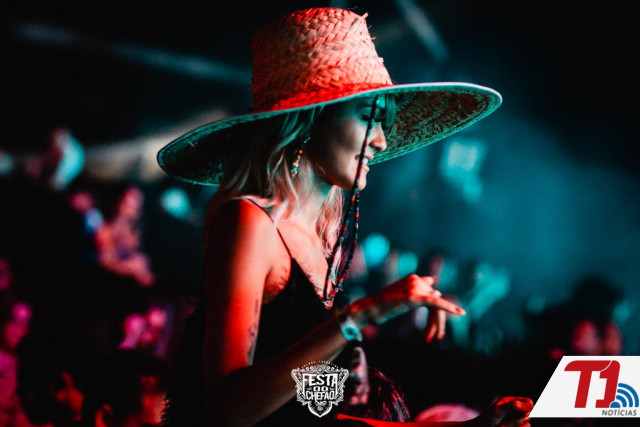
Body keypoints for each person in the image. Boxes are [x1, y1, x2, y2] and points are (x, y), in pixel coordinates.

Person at [157, 7, 532, 426]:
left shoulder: (320, 246)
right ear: (311, 117)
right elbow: (226, 411)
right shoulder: (250, 223)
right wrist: (360, 316)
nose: (381, 141)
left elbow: (314, 417)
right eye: (369, 117)